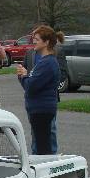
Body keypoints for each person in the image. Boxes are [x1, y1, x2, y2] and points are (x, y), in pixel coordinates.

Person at [16, 25, 60, 155]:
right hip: (37, 110)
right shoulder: (43, 62)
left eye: (37, 39)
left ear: (46, 42)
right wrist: (24, 76)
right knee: (41, 144)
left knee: (43, 149)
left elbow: (31, 86)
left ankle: (47, 166)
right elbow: (30, 84)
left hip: (42, 110)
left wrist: (24, 75)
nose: (34, 42)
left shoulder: (47, 63)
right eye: (33, 39)